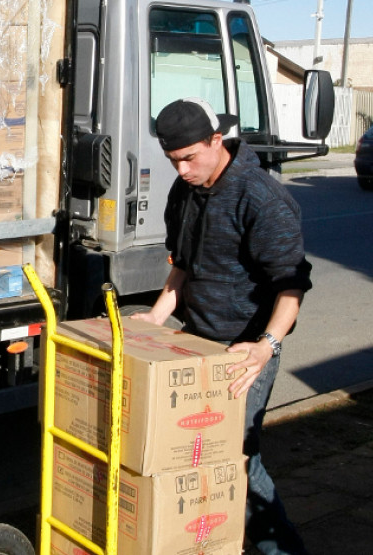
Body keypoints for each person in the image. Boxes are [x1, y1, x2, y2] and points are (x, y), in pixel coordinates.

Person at [133, 97, 312, 555]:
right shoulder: (185, 191)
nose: (182, 170)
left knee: (236, 457)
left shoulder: (261, 198)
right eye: (173, 160)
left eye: (189, 158)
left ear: (217, 140)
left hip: (246, 350)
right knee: (190, 455)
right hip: (197, 341)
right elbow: (183, 264)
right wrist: (156, 315)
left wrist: (266, 346)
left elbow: (291, 285)